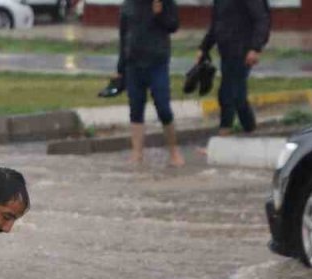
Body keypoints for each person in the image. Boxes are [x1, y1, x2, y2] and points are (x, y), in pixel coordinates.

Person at [115, 0, 184, 168]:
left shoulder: (164, 2)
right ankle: (137, 153)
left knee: (163, 106)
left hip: (157, 62)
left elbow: (174, 25)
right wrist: (120, 67)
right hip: (134, 63)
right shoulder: (128, 4)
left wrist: (160, 14)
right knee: (136, 108)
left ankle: (174, 152)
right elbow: (124, 36)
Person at [197, 0, 271, 135]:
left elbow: (261, 20)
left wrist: (255, 47)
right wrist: (204, 47)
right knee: (230, 93)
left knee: (233, 94)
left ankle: (236, 129)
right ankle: (240, 129)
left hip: (243, 51)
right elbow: (216, 24)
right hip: (226, 51)